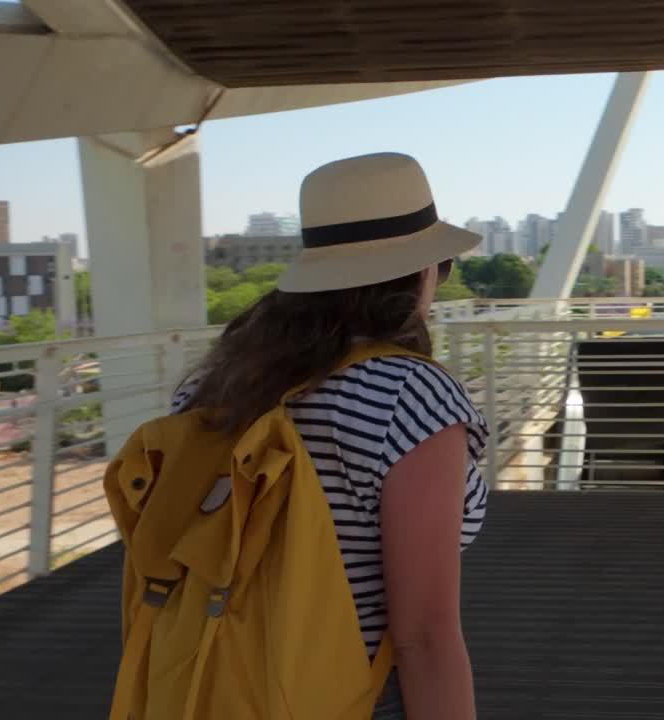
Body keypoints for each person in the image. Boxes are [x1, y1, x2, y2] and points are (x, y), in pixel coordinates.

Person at [173, 153, 488, 719]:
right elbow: (423, 639)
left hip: (213, 685)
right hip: (350, 695)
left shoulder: (211, 386)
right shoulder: (411, 398)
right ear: (422, 272)